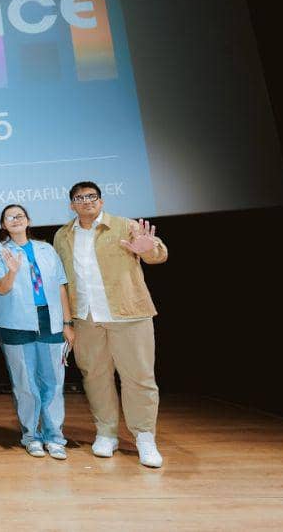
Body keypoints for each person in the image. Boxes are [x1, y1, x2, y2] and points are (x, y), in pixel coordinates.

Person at [53, 181, 168, 468]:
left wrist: (148, 249)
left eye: (92, 196)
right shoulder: (63, 235)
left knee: (138, 377)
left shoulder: (124, 225)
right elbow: (61, 281)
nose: (86, 201)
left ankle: (144, 437)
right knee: (94, 376)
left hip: (128, 313)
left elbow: (159, 254)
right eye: (80, 198)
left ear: (101, 201)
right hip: (86, 318)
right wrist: (67, 320)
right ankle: (106, 433)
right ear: (72, 204)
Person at [0, 205, 73, 460]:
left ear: (28, 220)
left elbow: (60, 286)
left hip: (50, 320)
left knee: (53, 381)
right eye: (9, 217)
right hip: (15, 323)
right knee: (25, 382)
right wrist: (12, 271)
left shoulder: (46, 249)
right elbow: (1, 289)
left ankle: (55, 437)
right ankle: (31, 436)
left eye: (19, 216)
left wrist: (68, 323)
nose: (15, 220)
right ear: (3, 224)